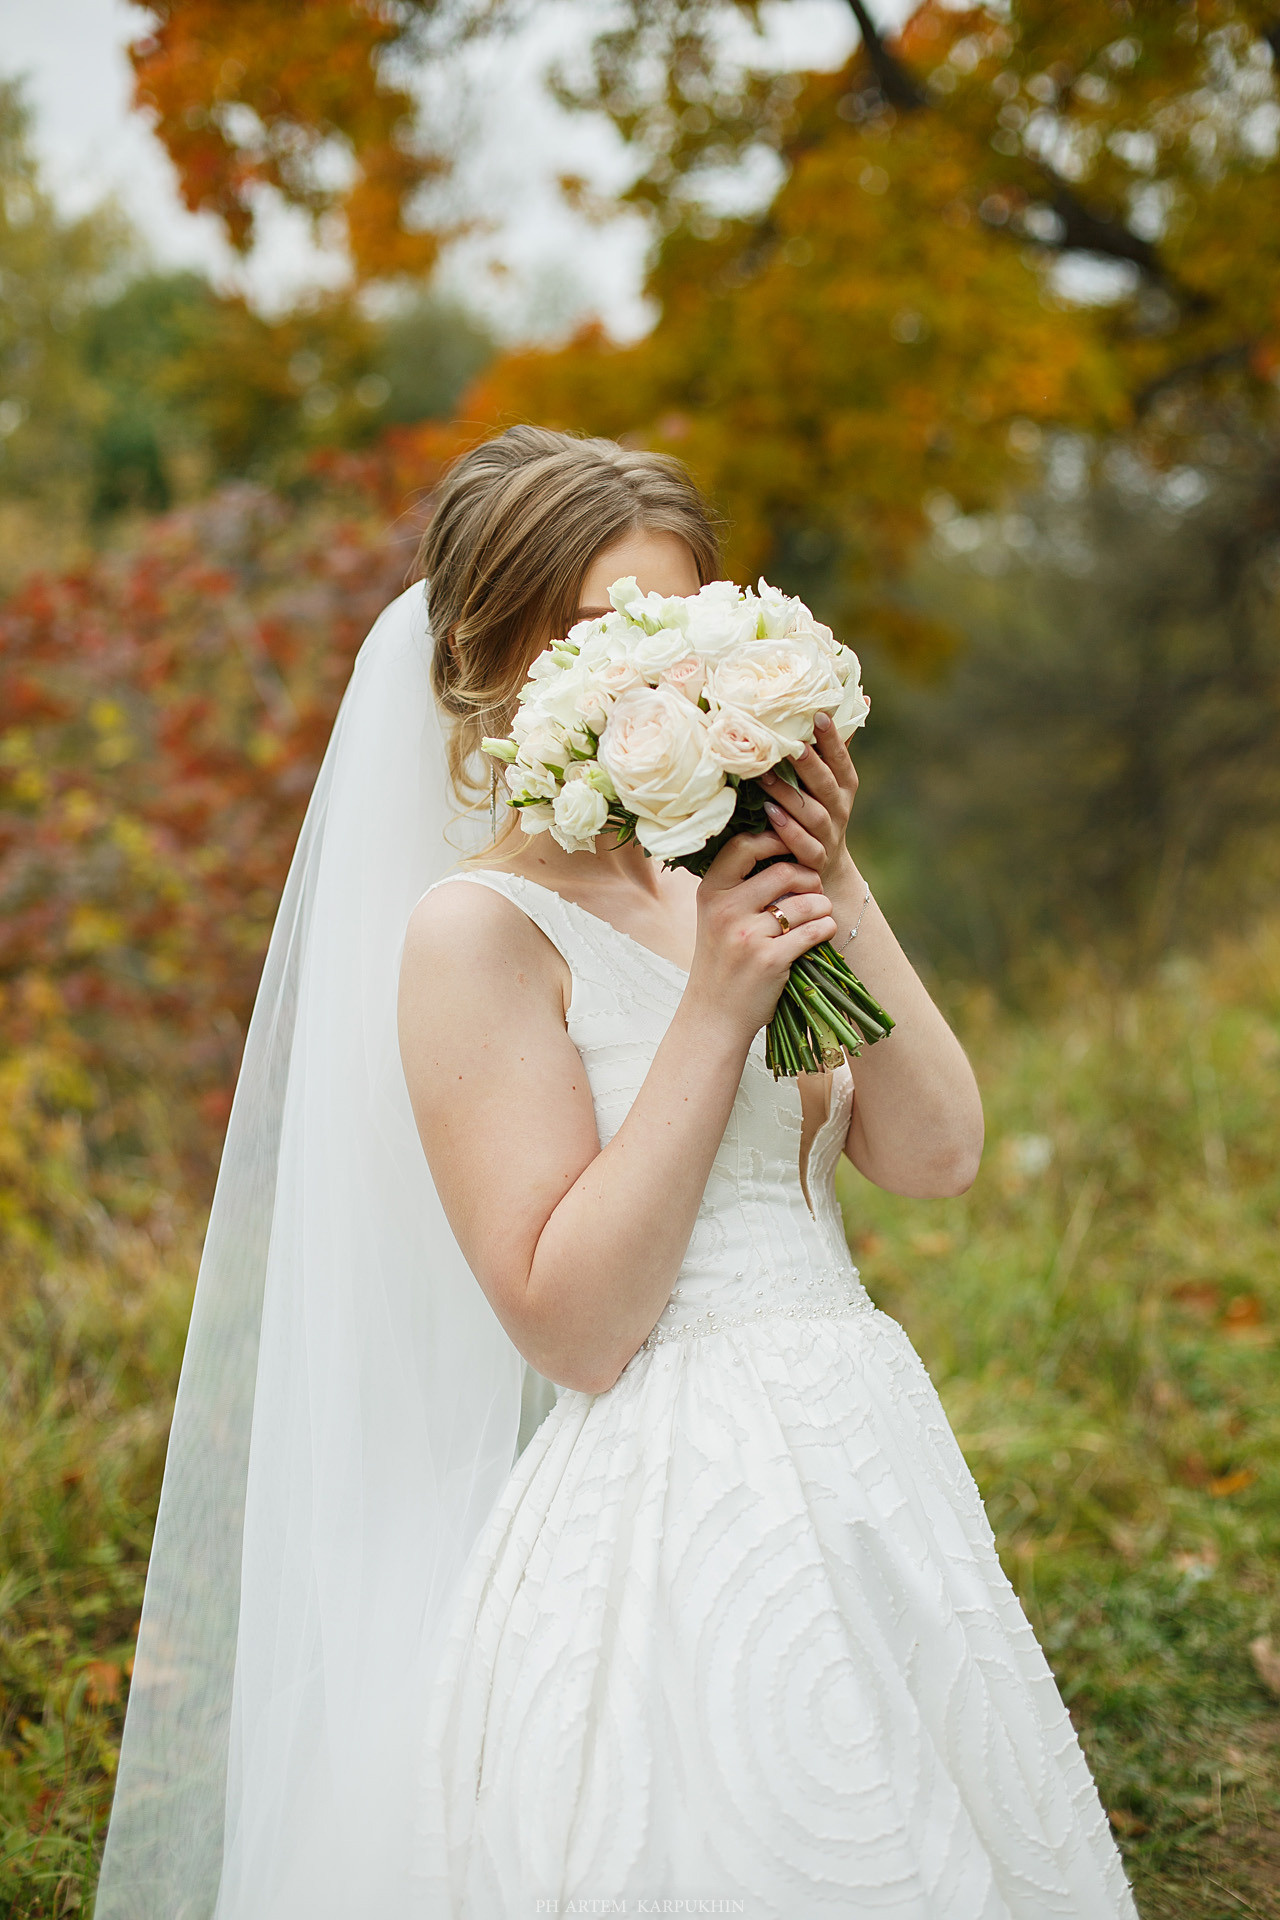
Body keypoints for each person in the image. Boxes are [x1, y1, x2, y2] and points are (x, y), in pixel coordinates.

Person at [95, 426, 1137, 1920]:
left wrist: (828, 875)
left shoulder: (728, 872)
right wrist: (717, 1010)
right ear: (489, 661)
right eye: (596, 637)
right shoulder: (478, 934)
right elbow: (573, 1329)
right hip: (669, 1492)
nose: (648, 679)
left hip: (860, 1441)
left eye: (676, 630)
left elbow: (938, 1151)